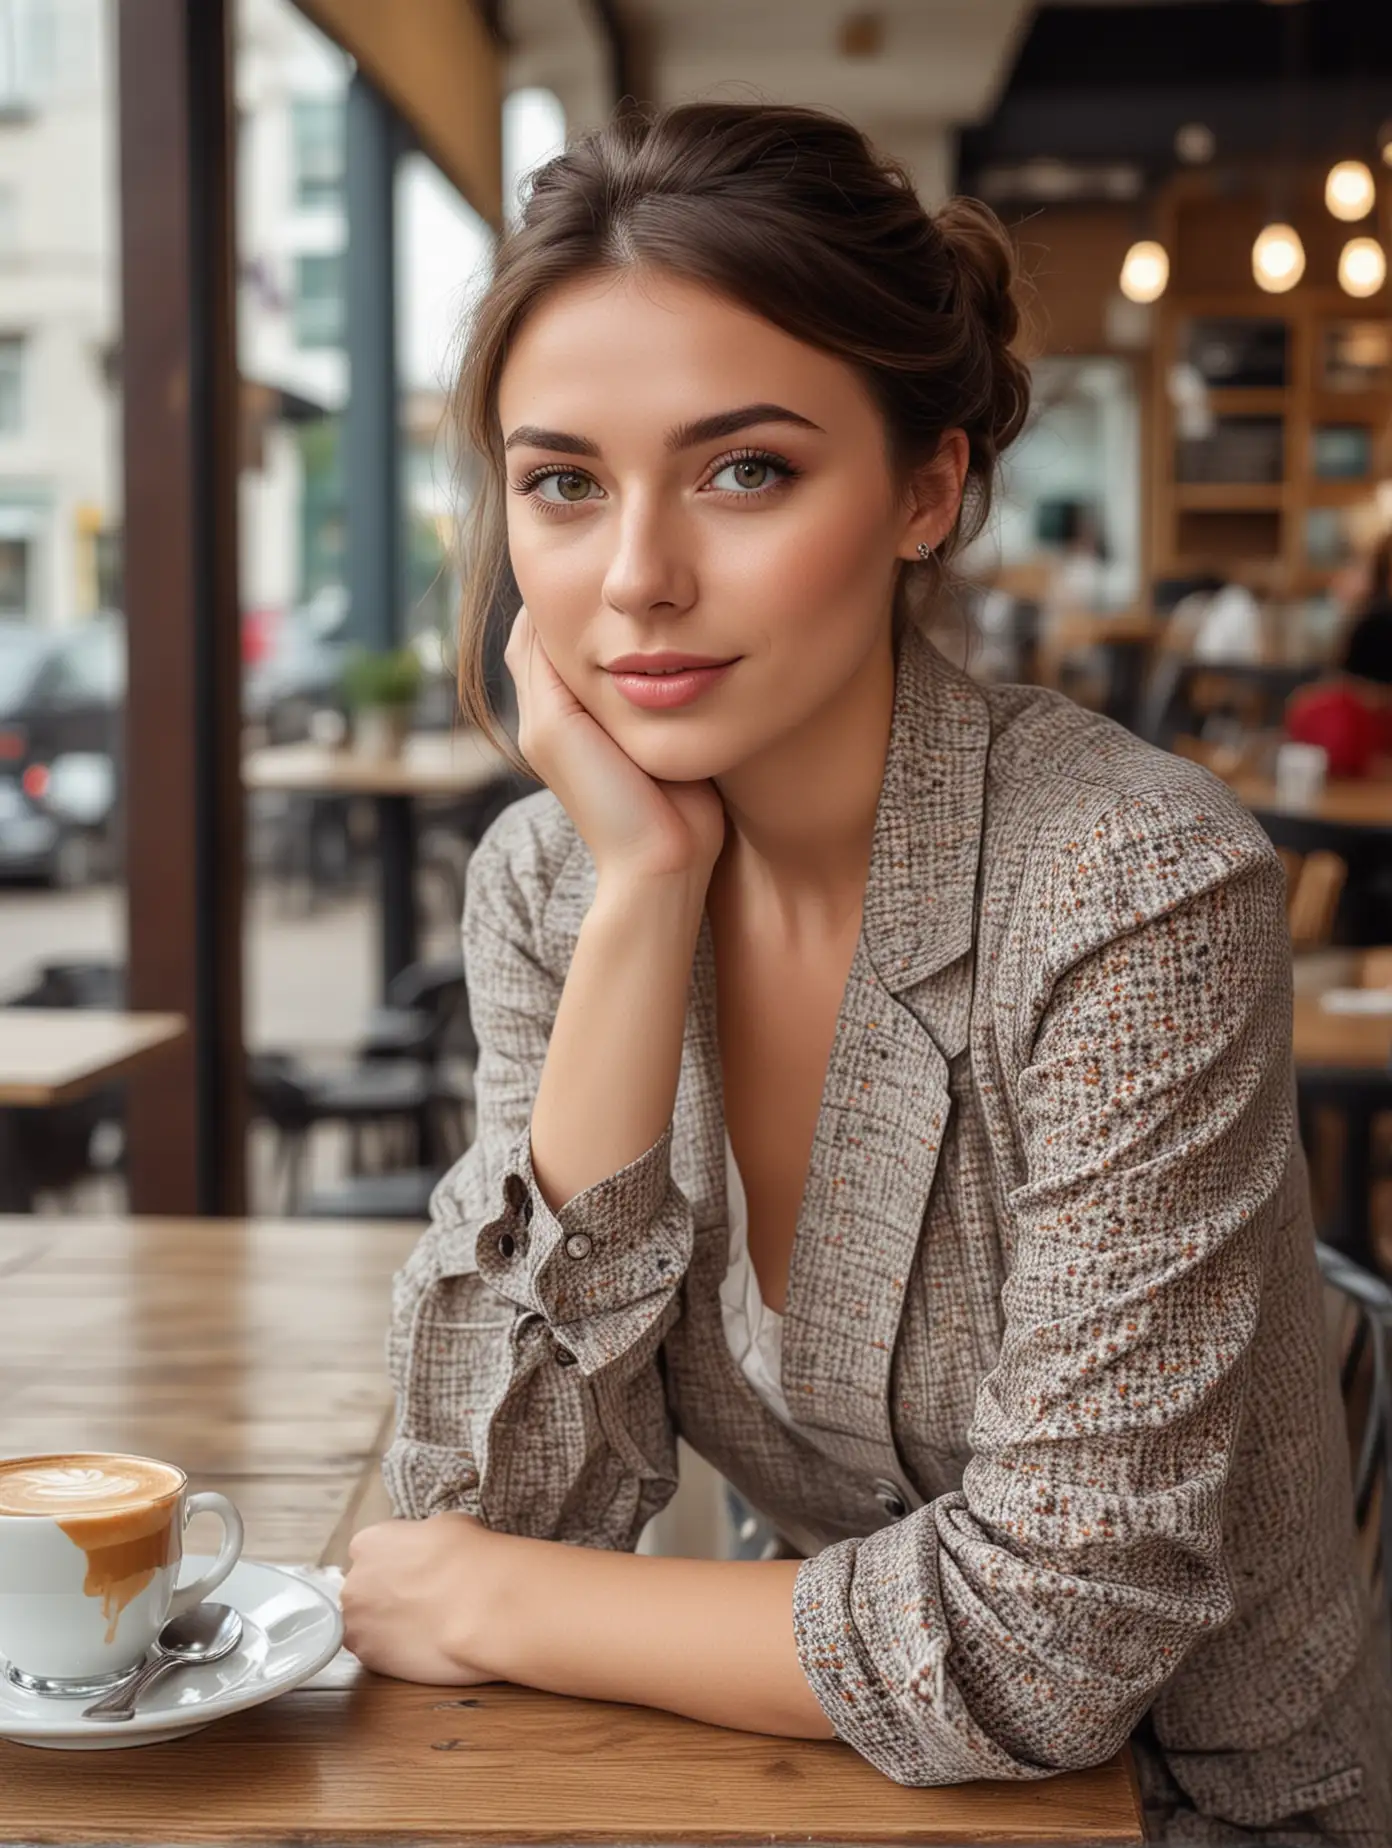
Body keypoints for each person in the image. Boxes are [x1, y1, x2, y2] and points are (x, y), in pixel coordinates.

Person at [339, 102, 1392, 1846]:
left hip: (1193, 1812)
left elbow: (1057, 1641)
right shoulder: (555, 879)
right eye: (563, 484)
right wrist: (646, 897)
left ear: (928, 485)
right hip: (822, 1776)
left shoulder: (1129, 890)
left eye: (745, 469)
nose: (639, 579)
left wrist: (489, 1606)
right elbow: (500, 1488)